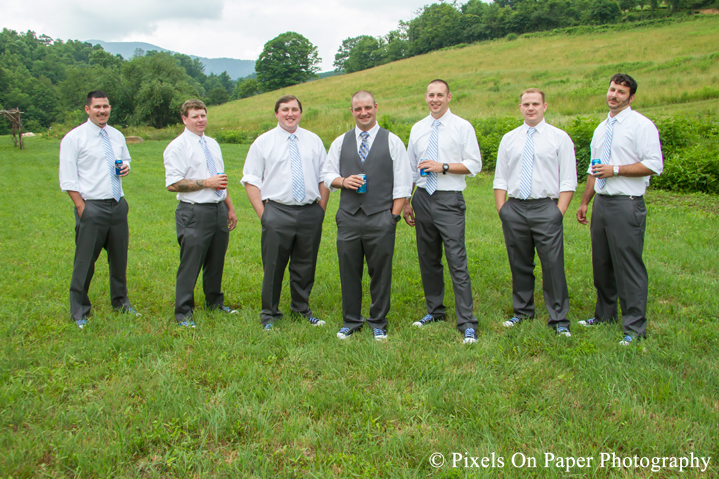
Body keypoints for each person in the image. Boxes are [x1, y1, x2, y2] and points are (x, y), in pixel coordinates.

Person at [576, 73, 663, 345]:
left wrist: (615, 170)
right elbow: (595, 167)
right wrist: (585, 201)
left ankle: (635, 328)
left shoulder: (641, 126)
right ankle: (604, 315)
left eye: (621, 92)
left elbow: (654, 164)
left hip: (627, 204)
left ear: (631, 97)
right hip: (602, 203)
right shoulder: (602, 128)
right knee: (601, 264)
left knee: (628, 266)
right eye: (612, 90)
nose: (614, 95)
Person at [322, 90, 412, 341]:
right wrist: (342, 180)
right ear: (351, 111)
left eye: (368, 108)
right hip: (349, 216)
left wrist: (392, 218)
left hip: (381, 216)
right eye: (358, 109)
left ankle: (378, 321)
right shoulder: (340, 142)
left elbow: (404, 183)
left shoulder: (392, 141)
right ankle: (351, 320)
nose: (363, 113)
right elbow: (327, 175)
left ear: (376, 108)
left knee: (380, 271)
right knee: (348, 269)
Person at [493, 88, 577, 337]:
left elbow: (568, 181)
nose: (531, 108)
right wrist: (503, 210)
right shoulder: (509, 138)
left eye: (535, 104)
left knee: (552, 263)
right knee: (519, 262)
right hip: (515, 207)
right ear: (520, 107)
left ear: (545, 106)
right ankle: (522, 312)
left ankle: (559, 318)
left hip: (546, 207)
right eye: (526, 104)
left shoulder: (559, 138)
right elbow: (500, 178)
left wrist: (558, 212)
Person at [404, 79, 482, 344]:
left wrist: (443, 166)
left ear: (449, 97)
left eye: (440, 95)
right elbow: (410, 168)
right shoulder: (417, 128)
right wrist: (406, 201)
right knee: (428, 259)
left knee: (456, 260)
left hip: (449, 199)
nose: (435, 99)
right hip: (423, 198)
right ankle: (434, 311)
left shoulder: (462, 127)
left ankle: (467, 321)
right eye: (430, 95)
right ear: (425, 98)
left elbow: (474, 164)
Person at [241, 95, 329, 331]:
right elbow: (250, 181)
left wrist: (320, 210)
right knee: (274, 265)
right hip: (277, 210)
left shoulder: (313, 140)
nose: (290, 114)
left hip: (310, 211)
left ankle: (301, 309)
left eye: (294, 109)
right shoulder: (263, 142)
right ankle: (269, 315)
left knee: (305, 264)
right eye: (285, 110)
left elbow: (324, 177)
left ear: (301, 112)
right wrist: (264, 214)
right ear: (276, 113)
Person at [59, 90, 140, 329]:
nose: (102, 110)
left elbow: (125, 160)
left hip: (117, 205)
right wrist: (82, 207)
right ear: (87, 109)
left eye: (106, 106)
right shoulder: (75, 138)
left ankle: (121, 302)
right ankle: (79, 311)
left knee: (119, 259)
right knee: (85, 261)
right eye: (97, 107)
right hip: (91, 206)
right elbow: (67, 178)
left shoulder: (116, 135)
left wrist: (125, 168)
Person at [164, 99, 238, 327]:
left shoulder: (213, 144)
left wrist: (229, 207)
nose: (200, 120)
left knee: (216, 261)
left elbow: (221, 180)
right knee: (191, 263)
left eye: (203, 115)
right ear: (184, 119)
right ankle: (183, 312)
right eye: (195, 116)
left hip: (217, 210)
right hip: (193, 212)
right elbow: (173, 184)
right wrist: (206, 182)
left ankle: (214, 303)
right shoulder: (177, 147)